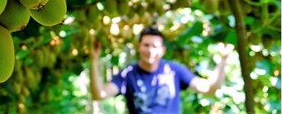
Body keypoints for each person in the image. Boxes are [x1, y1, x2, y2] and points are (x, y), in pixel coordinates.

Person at [90, 26, 234, 114]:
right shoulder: (128, 74)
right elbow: (99, 94)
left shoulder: (174, 70)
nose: (150, 50)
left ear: (163, 50)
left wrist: (223, 59)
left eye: (155, 46)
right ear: (139, 47)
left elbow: (208, 88)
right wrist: (94, 60)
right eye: (146, 45)